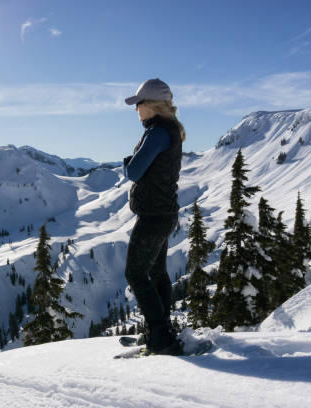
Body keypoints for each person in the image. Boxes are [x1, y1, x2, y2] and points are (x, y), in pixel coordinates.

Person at [122, 78, 186, 355]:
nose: (136, 110)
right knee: (156, 273)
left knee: (135, 273)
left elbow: (134, 172)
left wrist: (127, 162)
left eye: (138, 104)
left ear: (150, 106)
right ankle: (161, 332)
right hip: (164, 212)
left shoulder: (157, 132)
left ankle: (160, 337)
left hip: (153, 215)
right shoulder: (167, 130)